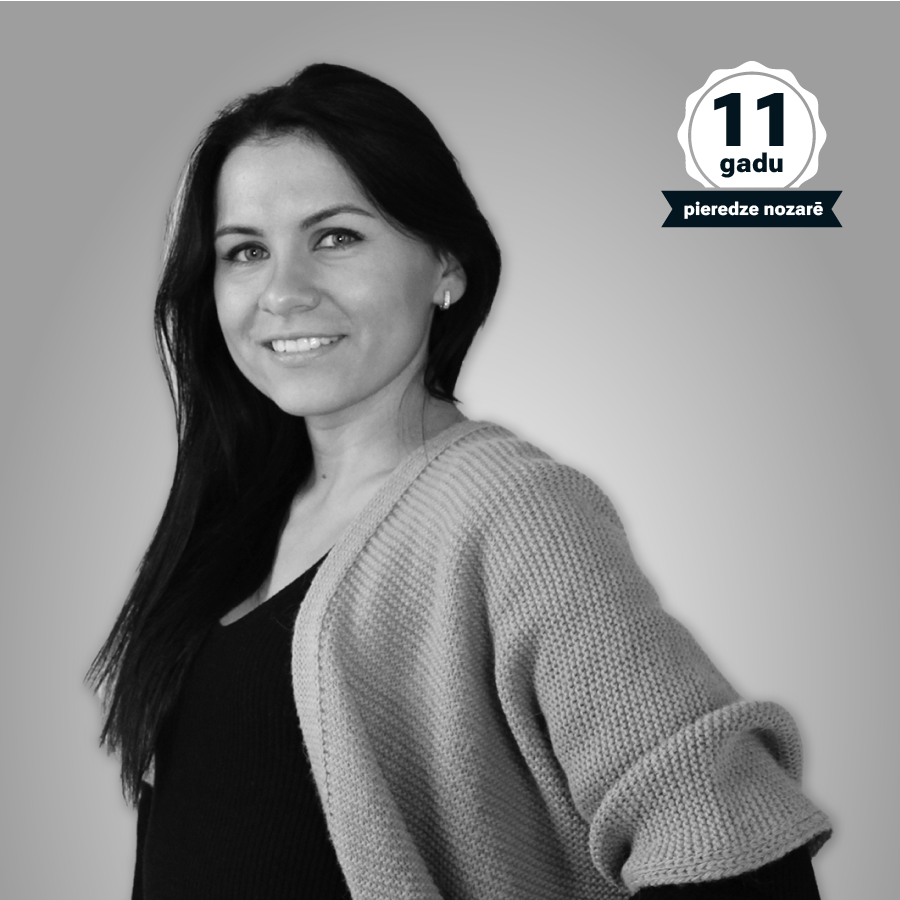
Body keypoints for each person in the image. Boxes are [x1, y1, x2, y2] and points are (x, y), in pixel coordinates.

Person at [89, 63, 831, 899]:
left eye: (336, 238)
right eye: (246, 251)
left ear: (445, 263)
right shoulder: (232, 522)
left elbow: (726, 836)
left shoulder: (512, 512)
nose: (283, 292)